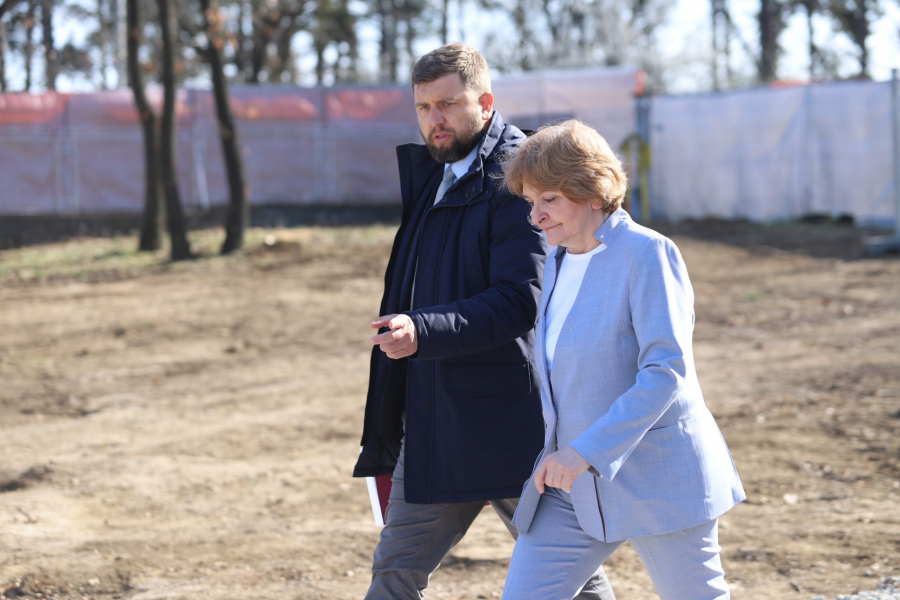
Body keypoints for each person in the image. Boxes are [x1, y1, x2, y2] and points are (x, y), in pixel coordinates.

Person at [352, 45, 616, 600]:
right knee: (395, 570)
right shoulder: (435, 172)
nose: (435, 119)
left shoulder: (520, 176)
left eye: (448, 104)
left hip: (512, 424)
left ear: (486, 102)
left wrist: (423, 330)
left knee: (570, 578)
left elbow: (521, 299)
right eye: (424, 107)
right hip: (435, 420)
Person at [500, 120, 746, 600]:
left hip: (658, 475)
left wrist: (586, 451)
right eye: (530, 201)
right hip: (572, 486)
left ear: (593, 191)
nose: (536, 216)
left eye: (549, 199)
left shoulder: (647, 252)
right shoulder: (557, 259)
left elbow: (666, 371)